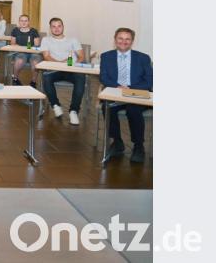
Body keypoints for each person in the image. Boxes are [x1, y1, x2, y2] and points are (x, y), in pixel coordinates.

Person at [99, 28, 153, 163]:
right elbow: (103, 77)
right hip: (116, 93)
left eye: (127, 39)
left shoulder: (143, 58)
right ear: (115, 40)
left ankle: (138, 146)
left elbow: (149, 81)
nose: (123, 42)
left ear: (132, 41)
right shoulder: (106, 56)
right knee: (107, 107)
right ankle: (117, 142)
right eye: (120, 38)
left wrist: (130, 89)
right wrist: (117, 87)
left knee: (133, 110)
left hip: (136, 94)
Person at [40, 17, 86, 126]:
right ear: (50, 28)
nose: (56, 29)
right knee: (46, 76)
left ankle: (74, 111)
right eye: (53, 26)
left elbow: (81, 56)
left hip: (71, 70)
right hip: (55, 70)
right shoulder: (46, 40)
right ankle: (55, 105)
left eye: (59, 26)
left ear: (63, 27)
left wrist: (72, 65)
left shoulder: (73, 40)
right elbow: (46, 56)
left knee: (81, 77)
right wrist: (60, 64)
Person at [9, 14, 42, 86]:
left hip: (33, 53)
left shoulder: (34, 31)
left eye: (26, 21)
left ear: (29, 22)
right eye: (21, 21)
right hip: (20, 52)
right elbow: (12, 43)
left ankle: (33, 82)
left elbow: (36, 45)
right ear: (19, 22)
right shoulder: (15, 30)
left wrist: (26, 48)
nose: (23, 23)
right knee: (19, 60)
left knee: (35, 62)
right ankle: (15, 79)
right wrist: (22, 48)